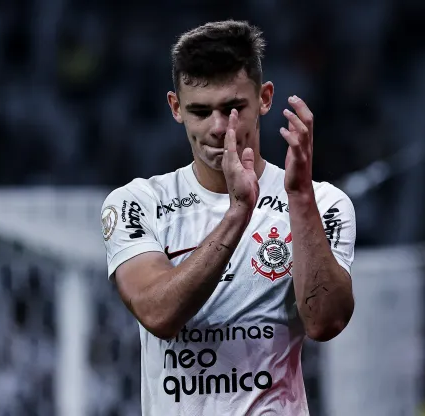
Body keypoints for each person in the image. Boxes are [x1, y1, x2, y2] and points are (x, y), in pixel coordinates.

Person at [100, 20, 356, 416]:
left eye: (233, 108)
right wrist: (240, 211)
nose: (219, 128)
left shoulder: (322, 202)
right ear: (175, 108)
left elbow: (326, 323)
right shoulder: (139, 202)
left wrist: (300, 197)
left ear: (265, 98)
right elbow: (158, 313)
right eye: (200, 111)